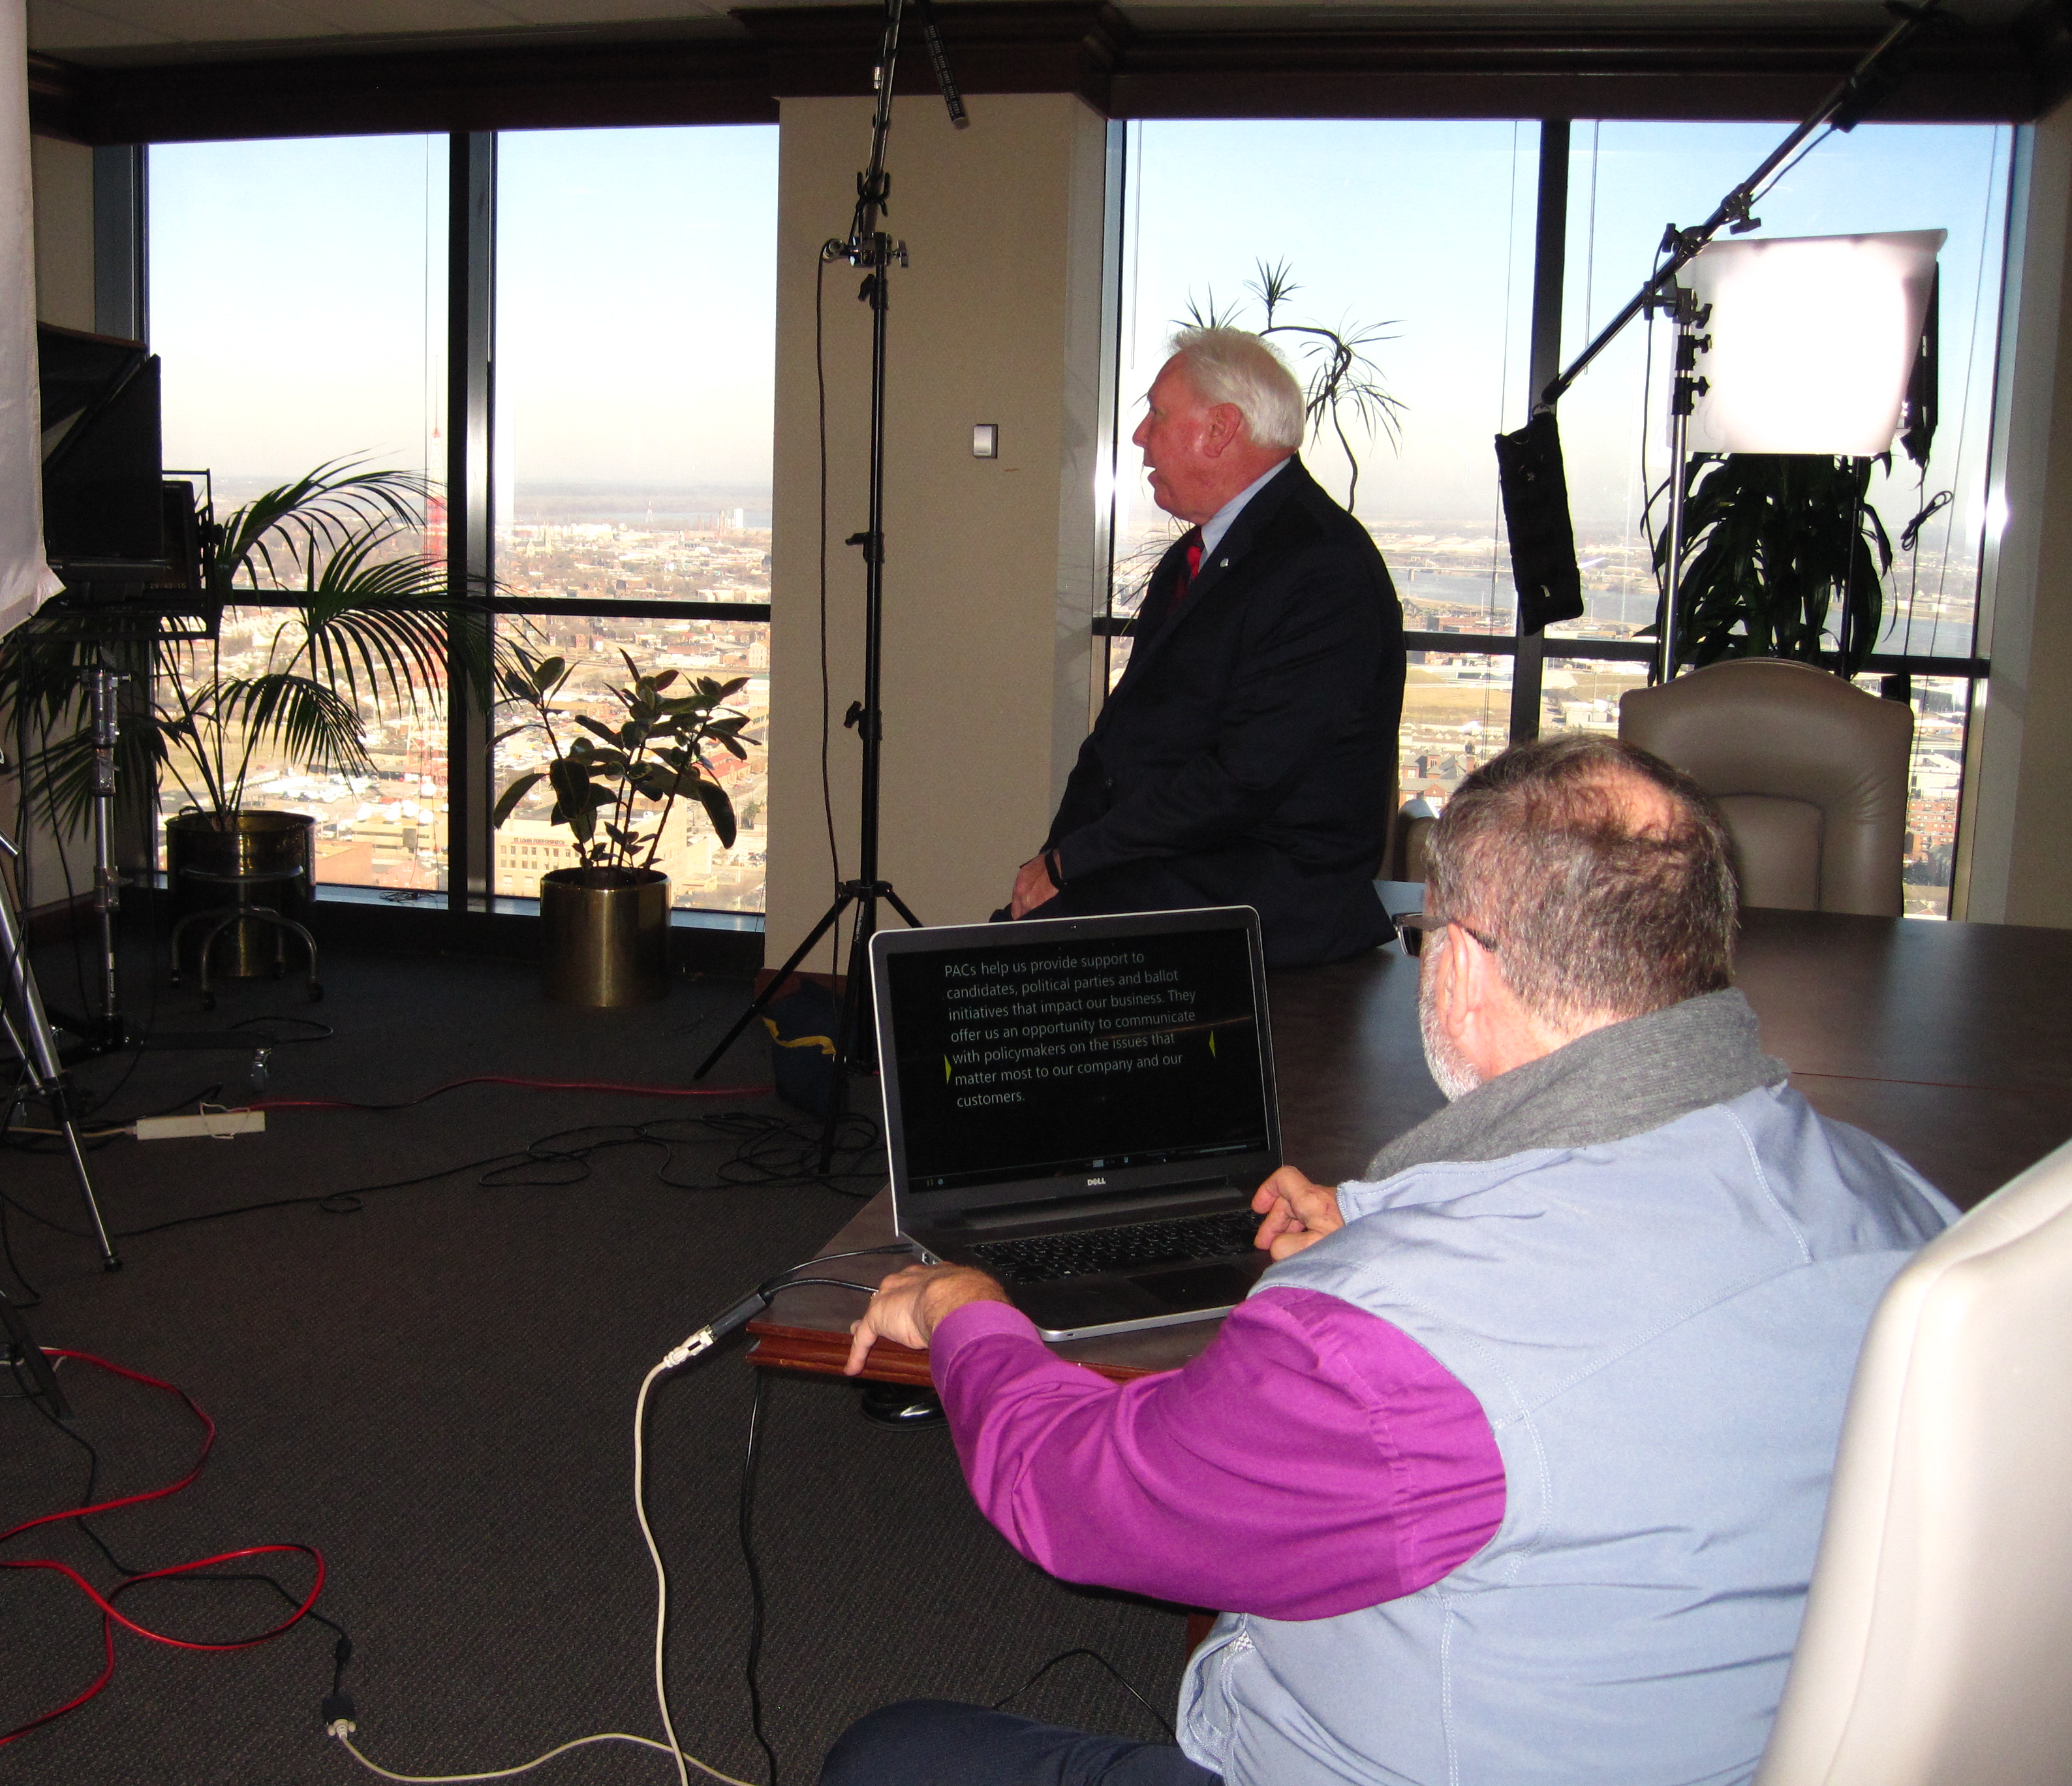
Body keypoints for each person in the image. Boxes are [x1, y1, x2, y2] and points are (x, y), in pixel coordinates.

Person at [835, 734, 1955, 1786]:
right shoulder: (1908, 1217)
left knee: (887, 1754)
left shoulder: (1387, 1339)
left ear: (1458, 965)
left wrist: (963, 1310)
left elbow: (1081, 1498)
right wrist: (1377, 1223)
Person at [1006, 327, 1404, 969]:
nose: (1140, 436)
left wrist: (1071, 864)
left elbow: (1243, 780)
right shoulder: (1197, 557)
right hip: (1182, 870)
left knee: (986, 986)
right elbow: (1118, 745)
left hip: (1263, 898)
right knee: (976, 967)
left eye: (1157, 414)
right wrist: (1056, 862)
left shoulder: (1322, 568)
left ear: (1220, 429)